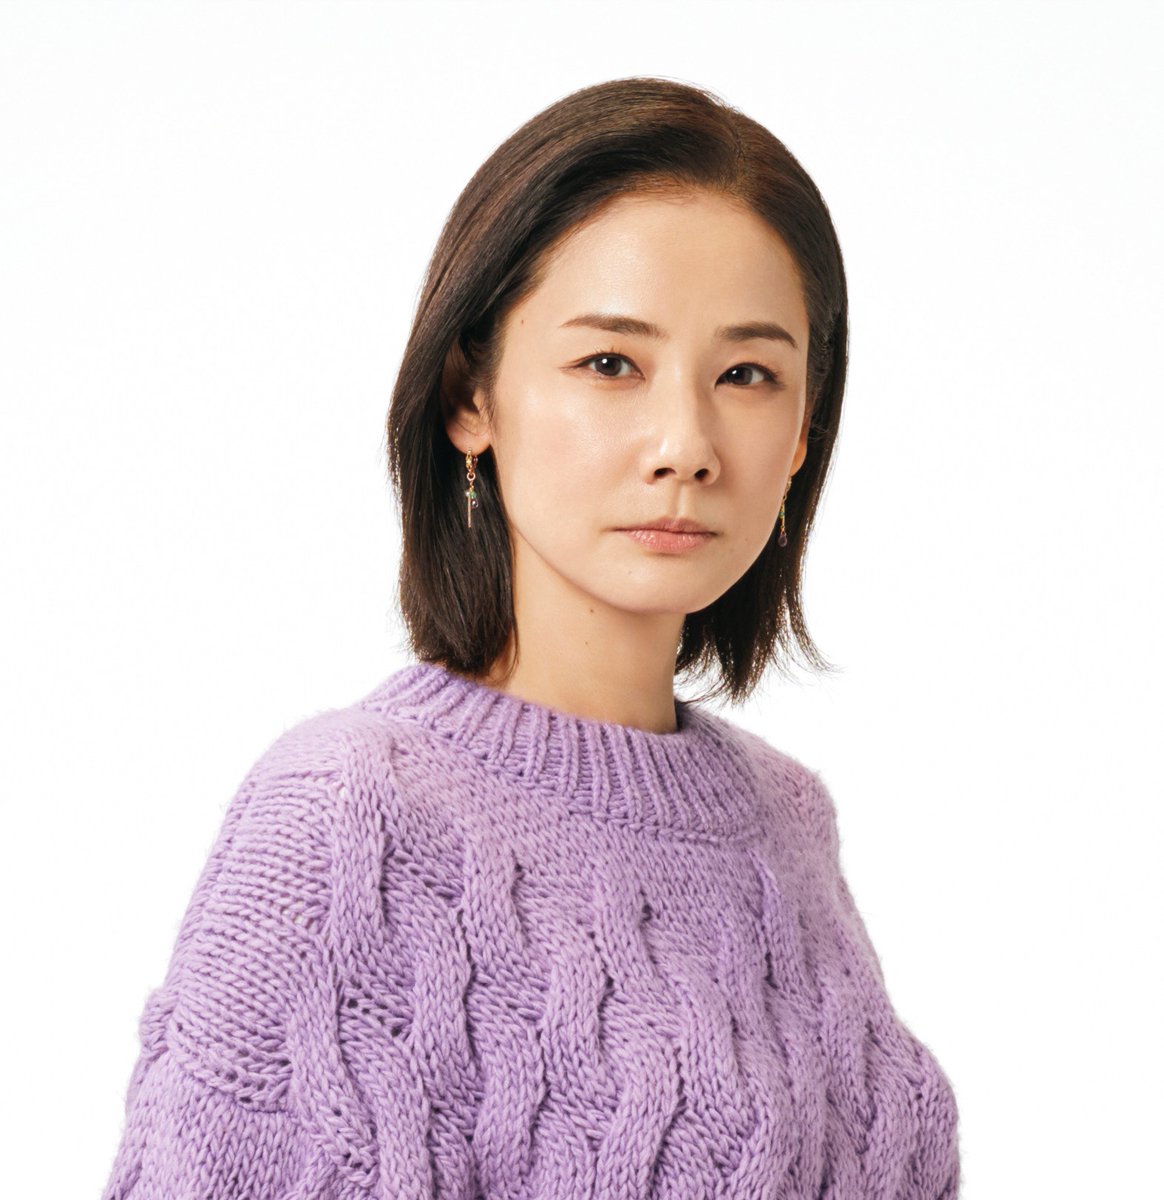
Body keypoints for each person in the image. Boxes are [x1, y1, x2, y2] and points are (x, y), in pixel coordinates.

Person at [101, 76, 961, 1199]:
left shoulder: (787, 822)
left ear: (803, 430)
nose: (686, 443)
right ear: (471, 397)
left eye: (747, 374)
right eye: (611, 364)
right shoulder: (347, 815)